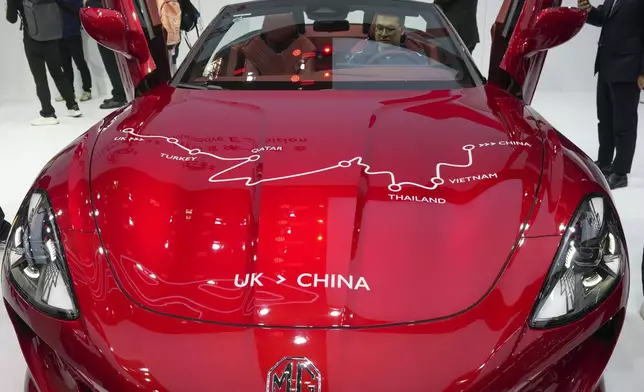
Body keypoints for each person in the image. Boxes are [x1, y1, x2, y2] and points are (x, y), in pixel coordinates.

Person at [578, 0, 644, 190]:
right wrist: (588, 10)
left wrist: (642, 71)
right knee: (605, 119)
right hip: (606, 65)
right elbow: (601, 17)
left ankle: (620, 172)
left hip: (628, 68)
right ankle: (605, 162)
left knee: (624, 123)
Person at [6, 0, 82, 126]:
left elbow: (11, 18)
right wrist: (81, 13)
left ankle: (48, 113)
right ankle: (73, 107)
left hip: (32, 40)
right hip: (52, 38)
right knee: (58, 73)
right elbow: (64, 5)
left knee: (40, 78)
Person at [83, 0, 127, 109]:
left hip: (106, 22)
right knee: (113, 60)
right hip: (111, 20)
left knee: (111, 60)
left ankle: (119, 95)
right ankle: (120, 92)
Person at [347, 13, 428, 64]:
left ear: (402, 30)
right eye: (380, 28)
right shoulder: (360, 57)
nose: (384, 34)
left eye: (390, 29)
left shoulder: (416, 59)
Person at [55, 0, 93, 103]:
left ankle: (87, 90)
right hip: (59, 35)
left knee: (80, 62)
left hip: (73, 34)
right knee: (65, 65)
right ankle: (69, 92)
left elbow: (79, 9)